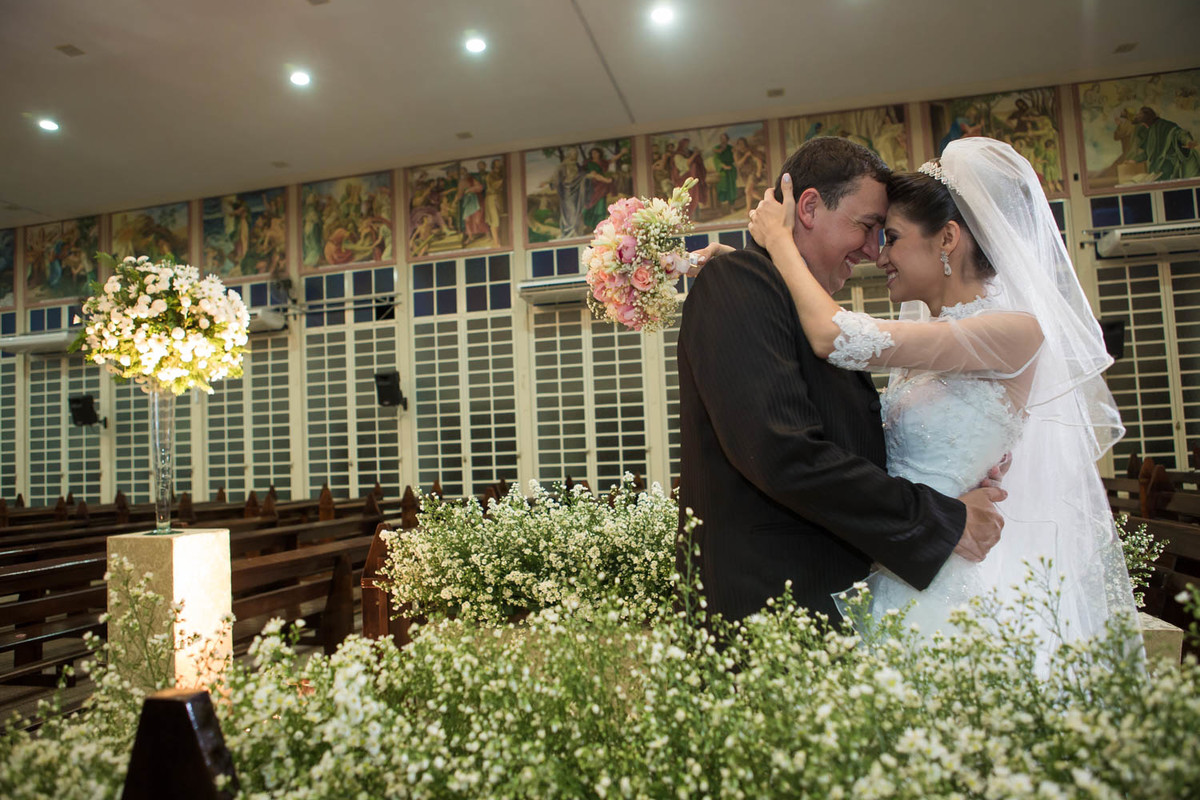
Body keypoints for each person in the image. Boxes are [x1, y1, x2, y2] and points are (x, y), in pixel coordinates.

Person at [744, 137, 1138, 653]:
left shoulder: (1016, 331)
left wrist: (778, 243)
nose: (879, 255)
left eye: (891, 237)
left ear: (948, 237)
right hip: (902, 559)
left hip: (938, 585)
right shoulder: (929, 344)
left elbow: (832, 335)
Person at [676, 136, 1005, 628]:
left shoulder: (803, 308)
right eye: (868, 227)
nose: (874, 251)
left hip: (826, 603)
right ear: (809, 208)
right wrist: (939, 520)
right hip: (768, 610)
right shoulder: (738, 281)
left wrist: (964, 468)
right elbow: (782, 453)